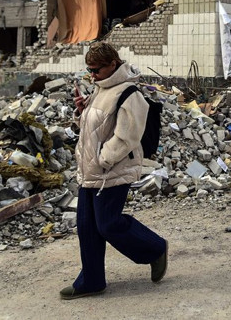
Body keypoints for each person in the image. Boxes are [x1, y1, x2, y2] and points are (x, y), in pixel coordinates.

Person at [60, 41, 167, 300]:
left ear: (112, 64)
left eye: (96, 70)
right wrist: (82, 112)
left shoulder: (130, 94)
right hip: (90, 170)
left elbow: (127, 137)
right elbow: (95, 128)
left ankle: (155, 249)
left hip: (112, 171)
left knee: (108, 224)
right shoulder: (100, 88)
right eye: (89, 70)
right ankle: (91, 281)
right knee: (87, 227)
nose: (92, 75)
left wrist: (103, 160)